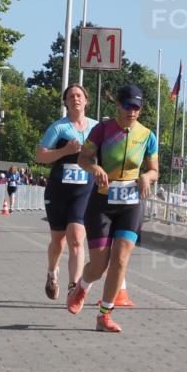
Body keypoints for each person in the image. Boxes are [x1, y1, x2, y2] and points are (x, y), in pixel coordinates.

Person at [66, 84, 158, 333]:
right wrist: (94, 168)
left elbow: (154, 170)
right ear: (118, 105)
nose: (132, 112)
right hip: (102, 203)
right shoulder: (102, 130)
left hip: (130, 204)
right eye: (128, 106)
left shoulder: (147, 135)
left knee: (120, 261)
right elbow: (83, 159)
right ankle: (82, 287)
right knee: (99, 265)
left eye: (137, 107)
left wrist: (146, 178)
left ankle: (104, 315)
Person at [36, 84, 98, 300]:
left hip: (84, 190)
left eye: (79, 95)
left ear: (86, 100)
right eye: (71, 96)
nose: (75, 99)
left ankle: (74, 288)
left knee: (77, 239)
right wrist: (65, 151)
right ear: (66, 102)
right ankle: (52, 272)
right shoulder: (59, 128)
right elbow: (40, 156)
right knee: (58, 241)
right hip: (59, 190)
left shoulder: (96, 128)